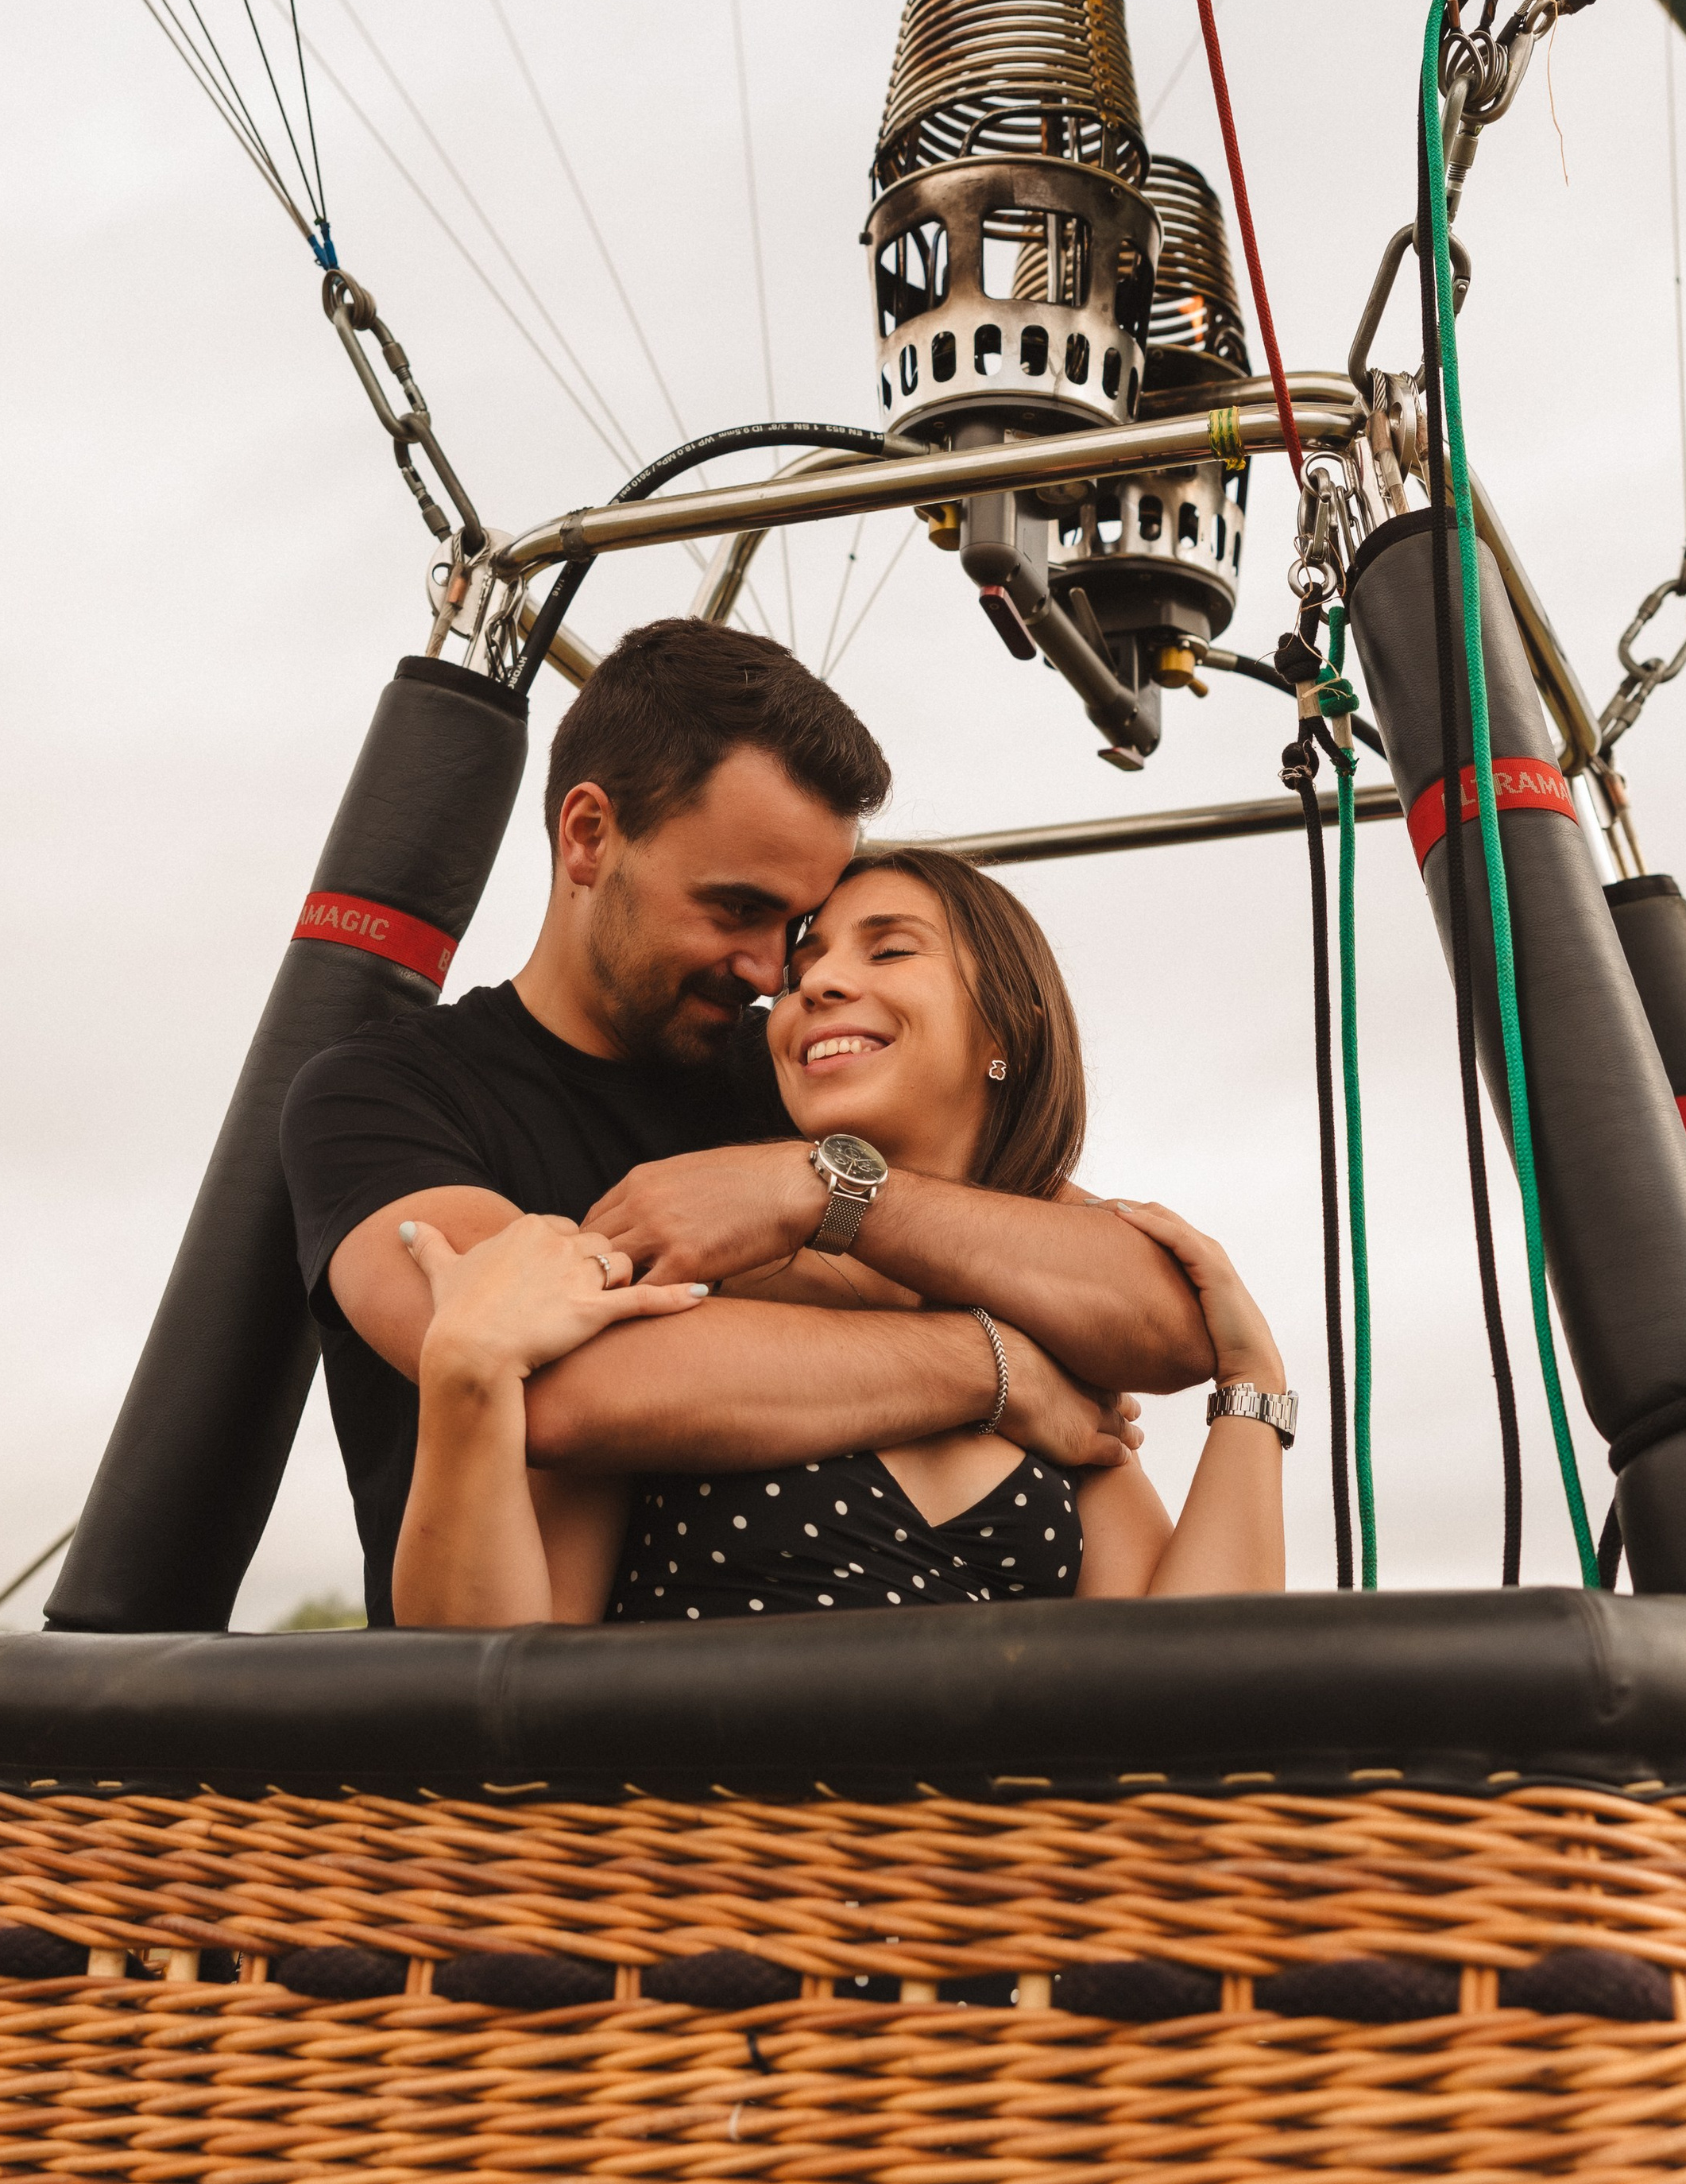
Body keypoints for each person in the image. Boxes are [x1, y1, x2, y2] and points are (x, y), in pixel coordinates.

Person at [281, 619, 1215, 1623]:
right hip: (539, 1730)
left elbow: (1156, 1321)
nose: (775, 974)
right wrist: (990, 1363)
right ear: (588, 836)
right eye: (736, 910)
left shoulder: (811, 1079)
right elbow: (557, 1388)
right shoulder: (383, 1097)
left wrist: (816, 1193)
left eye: (795, 930)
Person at [392, 846, 1290, 1625]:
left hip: (996, 1827)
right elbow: (503, 1663)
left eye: (890, 949)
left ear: (1008, 1026)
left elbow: (1184, 1706)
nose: (811, 982)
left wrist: (1253, 1392)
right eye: (798, 972)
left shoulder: (1056, 1365)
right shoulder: (689, 1286)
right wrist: (464, 1372)